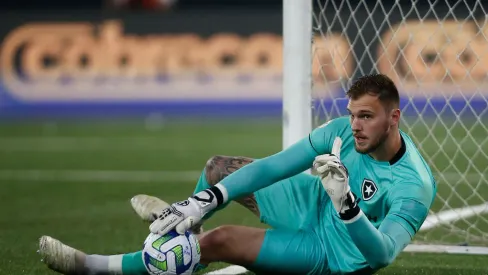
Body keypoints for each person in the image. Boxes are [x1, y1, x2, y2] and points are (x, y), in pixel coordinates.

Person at [39, 73, 437, 275]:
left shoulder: (413, 185)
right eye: (352, 115)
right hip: (310, 204)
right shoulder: (341, 131)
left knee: (222, 240)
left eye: (366, 117)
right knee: (220, 170)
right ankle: (187, 231)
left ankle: (92, 265)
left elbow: (382, 254)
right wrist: (204, 200)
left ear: (394, 117)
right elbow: (272, 166)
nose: (355, 126)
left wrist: (347, 205)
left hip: (333, 253)